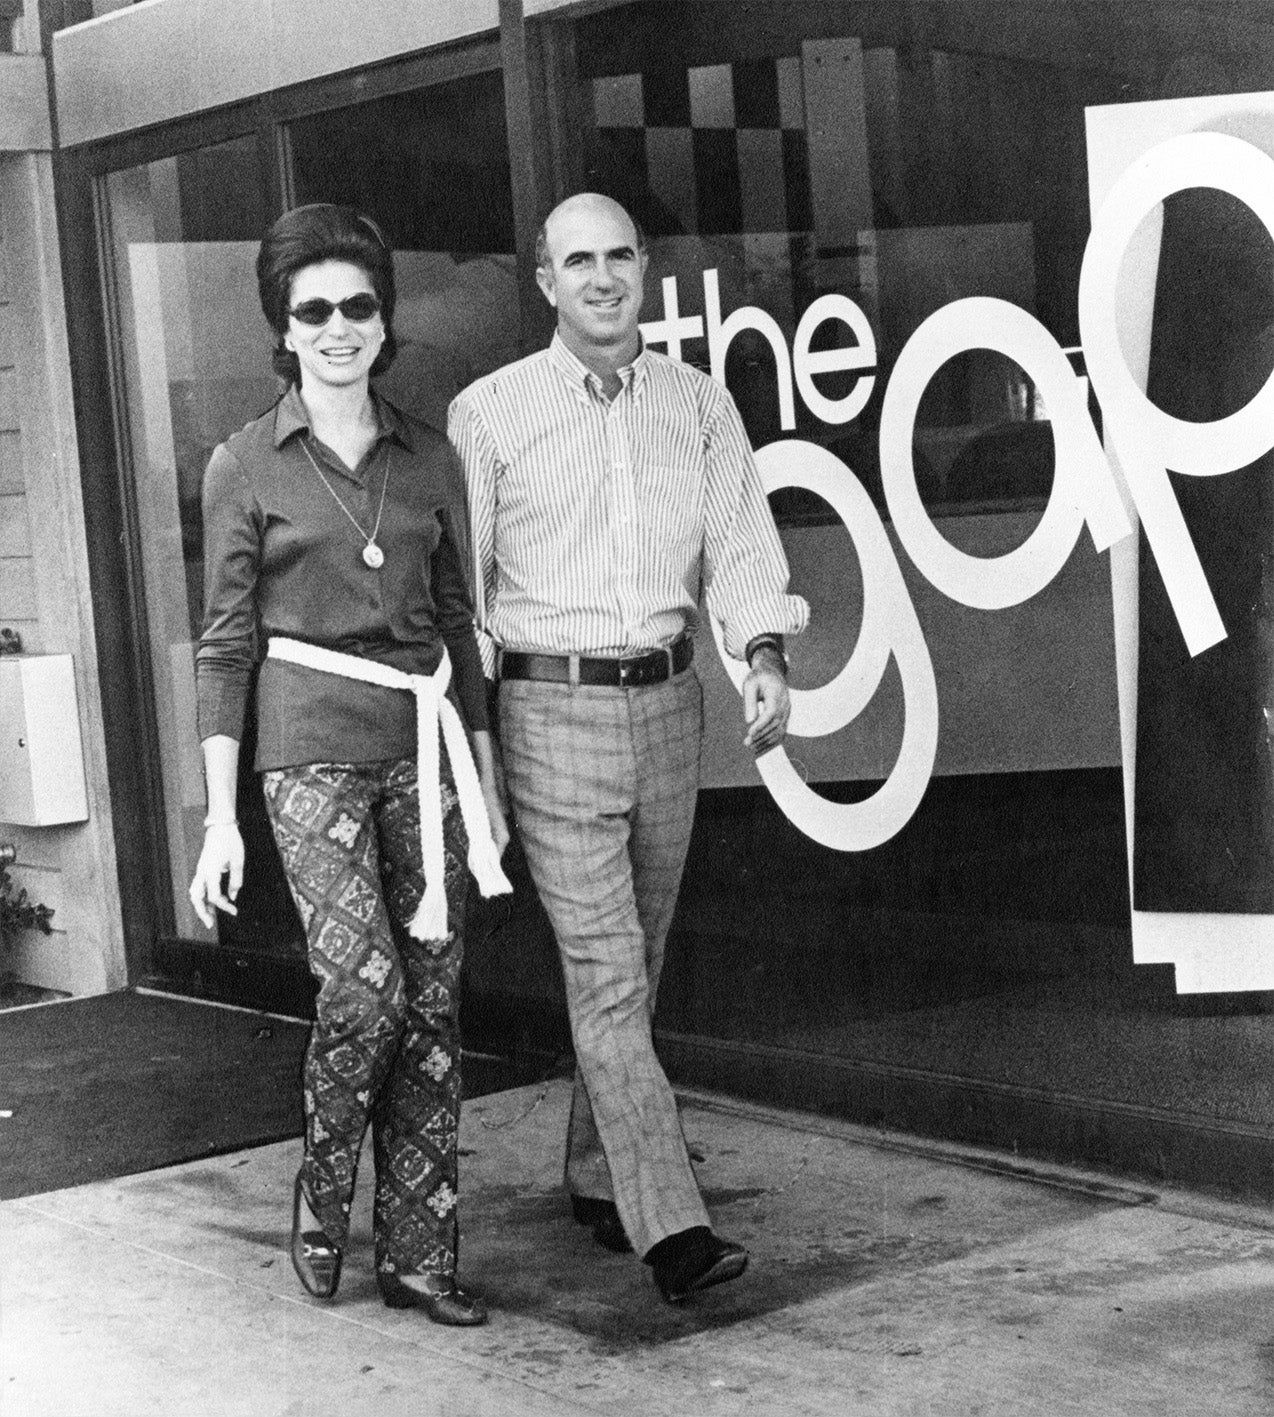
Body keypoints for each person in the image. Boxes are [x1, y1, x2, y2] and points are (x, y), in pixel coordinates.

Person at [448, 192, 808, 1303]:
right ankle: (671, 1231)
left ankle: (598, 1173)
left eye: (617, 257)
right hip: (547, 712)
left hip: (667, 706)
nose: (600, 277)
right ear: (544, 282)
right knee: (605, 975)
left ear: (641, 268)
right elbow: (461, 593)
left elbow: (740, 538)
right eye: (576, 261)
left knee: (633, 966)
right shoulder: (489, 413)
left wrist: (760, 652)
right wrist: (475, 747)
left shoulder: (696, 406)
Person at [189, 204, 511, 1326]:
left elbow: (461, 625)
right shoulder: (243, 462)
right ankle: (325, 1189)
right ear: (283, 327)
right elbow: (225, 642)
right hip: (308, 752)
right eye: (312, 309)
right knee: (363, 985)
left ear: (384, 320)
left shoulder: (431, 457)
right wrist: (220, 817)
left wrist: (488, 786)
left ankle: (422, 1253)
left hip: (424, 752)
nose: (337, 327)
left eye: (357, 306)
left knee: (430, 1005)